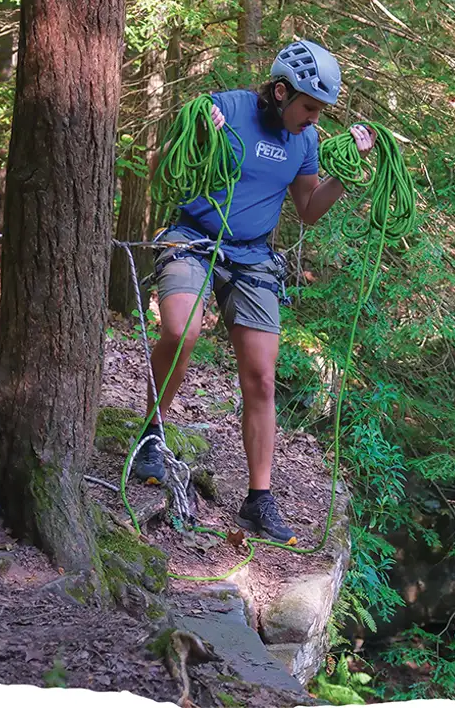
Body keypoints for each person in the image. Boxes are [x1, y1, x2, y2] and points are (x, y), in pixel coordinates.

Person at [132, 39, 375, 543]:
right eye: (309, 108)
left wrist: (347, 171)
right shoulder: (225, 108)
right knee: (181, 330)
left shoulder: (305, 142)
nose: (314, 119)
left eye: (321, 111)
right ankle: (151, 435)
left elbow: (308, 208)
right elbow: (162, 166)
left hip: (254, 257)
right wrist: (199, 135)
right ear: (282, 92)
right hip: (194, 239)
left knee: (262, 377)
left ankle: (258, 500)